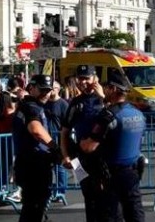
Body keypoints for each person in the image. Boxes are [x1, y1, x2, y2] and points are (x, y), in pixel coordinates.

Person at [80, 71, 146, 222]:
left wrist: (80, 143)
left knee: (111, 214)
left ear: (114, 89)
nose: (105, 90)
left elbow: (90, 147)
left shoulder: (108, 115)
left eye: (107, 87)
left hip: (112, 174)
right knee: (134, 211)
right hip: (133, 171)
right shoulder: (137, 113)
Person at [12, 74, 63, 222]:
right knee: (34, 207)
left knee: (35, 207)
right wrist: (55, 147)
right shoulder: (31, 107)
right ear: (31, 88)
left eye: (48, 90)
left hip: (33, 163)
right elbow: (36, 129)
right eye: (42, 90)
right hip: (33, 165)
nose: (45, 94)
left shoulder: (34, 106)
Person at [60, 65, 106, 222]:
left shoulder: (106, 99)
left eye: (86, 78)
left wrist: (103, 97)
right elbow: (65, 132)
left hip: (104, 156)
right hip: (80, 157)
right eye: (80, 78)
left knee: (106, 196)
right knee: (88, 194)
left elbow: (117, 116)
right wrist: (66, 156)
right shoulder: (75, 103)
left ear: (95, 79)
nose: (83, 82)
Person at [0, 91, 20, 201]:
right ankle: (14, 189)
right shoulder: (12, 113)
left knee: (1, 165)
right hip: (12, 141)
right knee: (14, 166)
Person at [45, 81, 69, 201]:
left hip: (59, 139)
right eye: (50, 88)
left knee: (59, 167)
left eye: (54, 88)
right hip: (46, 140)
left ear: (59, 89)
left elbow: (67, 123)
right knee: (48, 167)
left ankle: (61, 192)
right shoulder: (45, 103)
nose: (51, 90)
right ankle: (49, 191)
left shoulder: (63, 104)